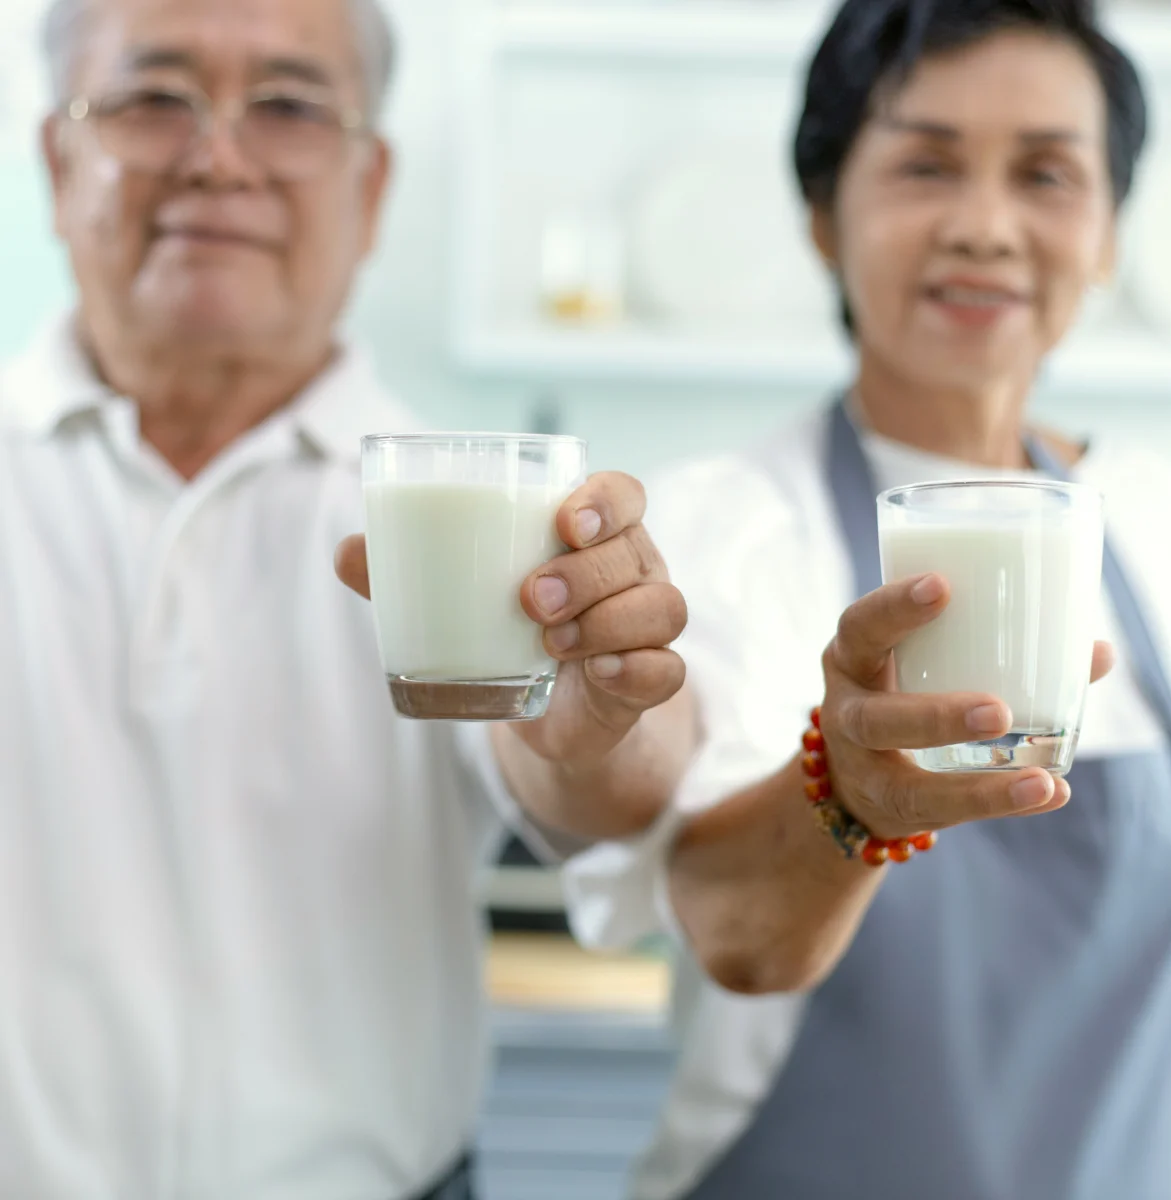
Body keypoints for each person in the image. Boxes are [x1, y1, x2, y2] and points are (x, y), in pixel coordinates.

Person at [0, 0, 693, 1195]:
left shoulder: (469, 503)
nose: (219, 157)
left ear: (371, 188)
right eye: (156, 97)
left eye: (288, 106)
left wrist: (603, 719)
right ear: (58, 163)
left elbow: (595, 786)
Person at [564, 0, 1171, 1196]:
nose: (985, 227)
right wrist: (845, 796)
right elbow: (735, 931)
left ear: (1110, 231)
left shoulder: (1169, 528)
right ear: (821, 214)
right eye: (924, 164)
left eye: (1048, 174)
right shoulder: (712, 533)